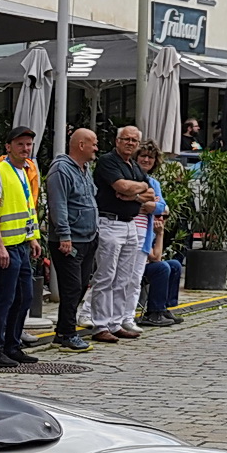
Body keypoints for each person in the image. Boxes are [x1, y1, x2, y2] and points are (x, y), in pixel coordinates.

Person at [0, 126, 45, 370]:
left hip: (21, 245)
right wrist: (0, 247)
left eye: (29, 145)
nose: (25, 149)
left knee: (24, 296)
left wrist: (33, 238)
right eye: (20, 144)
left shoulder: (23, 171)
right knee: (4, 299)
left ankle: (11, 346)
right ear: (8, 146)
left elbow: (26, 209)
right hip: (4, 247)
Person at [85, 125, 154, 345]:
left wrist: (134, 192)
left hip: (130, 224)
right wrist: (135, 191)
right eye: (126, 139)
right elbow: (121, 186)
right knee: (106, 275)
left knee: (124, 277)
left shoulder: (133, 165)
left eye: (134, 141)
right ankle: (101, 325)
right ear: (117, 141)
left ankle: (116, 322)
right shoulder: (108, 161)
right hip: (109, 222)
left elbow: (150, 193)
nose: (130, 143)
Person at [46, 127, 100, 353]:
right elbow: (58, 206)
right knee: (72, 286)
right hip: (70, 240)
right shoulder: (61, 170)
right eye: (94, 143)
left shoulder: (85, 169)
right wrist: (65, 235)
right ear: (81, 145)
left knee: (80, 285)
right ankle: (68, 333)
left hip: (88, 237)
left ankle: (62, 330)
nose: (96, 148)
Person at [135, 140, 183, 328]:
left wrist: (153, 207)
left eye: (151, 157)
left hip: (148, 240)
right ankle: (153, 312)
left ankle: (164, 307)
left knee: (175, 265)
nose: (146, 159)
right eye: (143, 156)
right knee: (162, 268)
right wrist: (149, 205)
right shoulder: (132, 178)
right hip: (136, 241)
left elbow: (163, 208)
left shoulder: (153, 182)